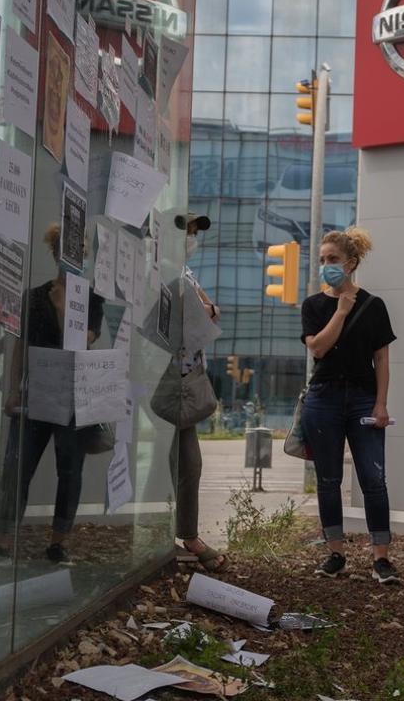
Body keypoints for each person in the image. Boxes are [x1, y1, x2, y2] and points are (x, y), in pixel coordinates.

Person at [0, 223, 105, 563]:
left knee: (70, 469)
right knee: (19, 466)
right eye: (77, 250)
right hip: (35, 394)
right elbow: (21, 346)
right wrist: (12, 389)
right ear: (58, 253)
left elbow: (84, 341)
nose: (82, 256)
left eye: (85, 252)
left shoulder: (92, 299)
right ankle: (4, 537)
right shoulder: (33, 296)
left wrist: (62, 307)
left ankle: (58, 541)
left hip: (73, 397)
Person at [300, 227, 400, 584]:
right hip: (323, 398)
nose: (327, 265)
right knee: (328, 480)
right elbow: (318, 348)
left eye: (333, 260)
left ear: (351, 262)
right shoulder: (314, 305)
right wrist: (340, 312)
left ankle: (381, 558)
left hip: (362, 397)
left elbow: (382, 359)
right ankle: (336, 553)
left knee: (374, 478)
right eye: (322, 260)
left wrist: (381, 404)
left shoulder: (374, 306)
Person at [171, 212, 226, 571]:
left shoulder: (186, 273)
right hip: (164, 381)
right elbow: (200, 313)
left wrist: (206, 310)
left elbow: (210, 312)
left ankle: (187, 533)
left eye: (194, 232)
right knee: (183, 463)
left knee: (189, 463)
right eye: (188, 231)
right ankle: (185, 535)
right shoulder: (162, 272)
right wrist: (206, 310)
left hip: (185, 384)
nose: (192, 237)